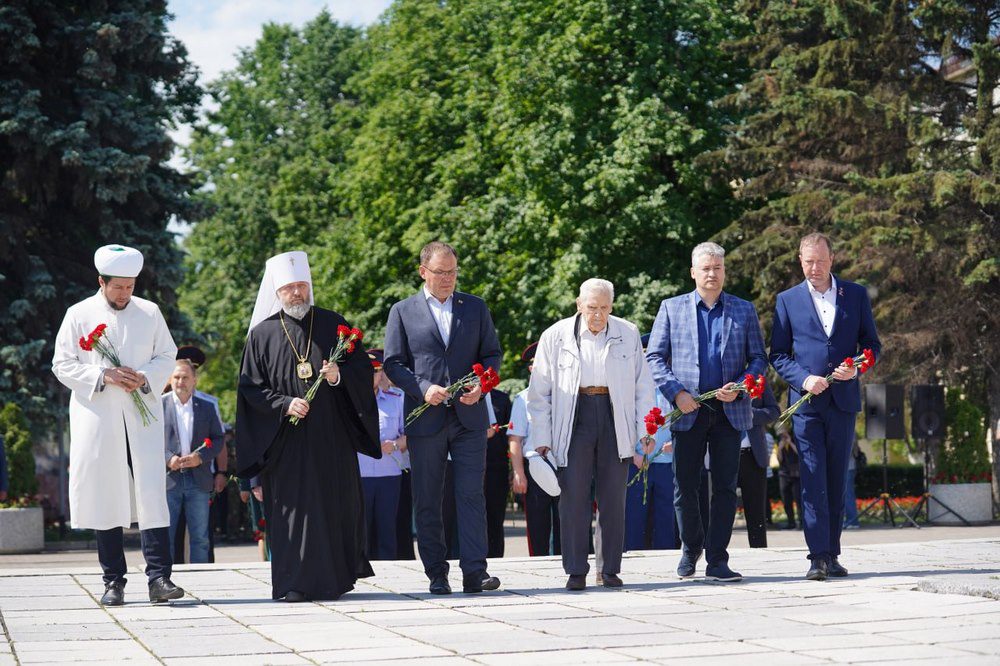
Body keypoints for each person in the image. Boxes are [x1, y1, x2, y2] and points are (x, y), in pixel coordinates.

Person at [235, 250, 380, 601]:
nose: (297, 293)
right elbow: (250, 390)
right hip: (286, 445)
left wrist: (337, 376)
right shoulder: (261, 335)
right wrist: (285, 404)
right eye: (289, 288)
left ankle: (336, 581)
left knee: (332, 508)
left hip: (331, 439)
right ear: (277, 291)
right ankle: (294, 583)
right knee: (294, 515)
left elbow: (363, 372)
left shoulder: (334, 325)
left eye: (302, 286)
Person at [51, 244, 183, 606]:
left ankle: (159, 578)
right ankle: (113, 581)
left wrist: (144, 377)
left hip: (142, 418)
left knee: (151, 494)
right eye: (118, 287)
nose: (125, 294)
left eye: (130, 286)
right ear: (101, 282)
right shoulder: (78, 314)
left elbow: (167, 355)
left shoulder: (150, 312)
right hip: (100, 418)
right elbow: (61, 364)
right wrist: (102, 374)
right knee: (105, 493)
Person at [383, 241, 503, 595]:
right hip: (427, 416)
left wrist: (481, 385)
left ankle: (475, 572)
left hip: (469, 416)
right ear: (423, 272)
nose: (448, 278)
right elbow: (393, 363)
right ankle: (437, 571)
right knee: (428, 496)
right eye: (441, 272)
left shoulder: (475, 307)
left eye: (453, 271)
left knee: (470, 494)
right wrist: (422, 388)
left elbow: (492, 354)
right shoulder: (402, 311)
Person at [645, 242, 768, 583]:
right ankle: (691, 548)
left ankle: (718, 558)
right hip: (688, 409)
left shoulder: (743, 310)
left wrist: (742, 386)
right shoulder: (671, 308)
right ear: (693, 272)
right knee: (685, 485)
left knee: (726, 487)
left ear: (724, 271)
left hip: (730, 410)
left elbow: (759, 359)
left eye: (718, 268)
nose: (712, 273)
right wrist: (677, 393)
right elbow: (655, 357)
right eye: (706, 268)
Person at [527, 278, 654, 591]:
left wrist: (645, 431)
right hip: (574, 418)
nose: (598, 314)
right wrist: (541, 438)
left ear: (612, 306)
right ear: (579, 304)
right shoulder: (554, 336)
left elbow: (643, 387)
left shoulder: (628, 332)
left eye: (604, 308)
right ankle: (575, 570)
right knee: (573, 498)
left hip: (615, 416)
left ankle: (609, 569)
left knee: (613, 499)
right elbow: (539, 393)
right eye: (592, 307)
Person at [770, 232, 881, 581]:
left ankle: (832, 554)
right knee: (813, 477)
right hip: (807, 405)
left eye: (819, 261)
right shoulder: (787, 300)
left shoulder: (856, 295)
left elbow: (872, 345)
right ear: (800, 262)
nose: (813, 268)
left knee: (836, 478)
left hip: (843, 402)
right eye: (807, 262)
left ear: (832, 259)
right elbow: (778, 354)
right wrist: (804, 379)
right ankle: (817, 556)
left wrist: (856, 367)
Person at [162, 359, 225, 563]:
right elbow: (146, 440)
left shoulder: (206, 407)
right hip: (168, 480)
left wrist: (200, 457)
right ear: (170, 380)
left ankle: (202, 581)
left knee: (200, 537)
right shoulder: (157, 406)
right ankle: (165, 579)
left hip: (199, 479)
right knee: (167, 536)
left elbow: (218, 439)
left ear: (194, 381)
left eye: (185, 377)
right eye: (177, 377)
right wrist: (168, 458)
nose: (181, 381)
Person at [509, 343, 561, 557]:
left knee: (566, 521)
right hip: (535, 464)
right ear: (531, 369)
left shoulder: (566, 395)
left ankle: (569, 563)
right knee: (538, 523)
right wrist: (518, 473)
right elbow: (515, 440)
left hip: (563, 463)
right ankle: (538, 562)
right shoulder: (523, 399)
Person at [359, 349, 406, 561]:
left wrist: (395, 445)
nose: (372, 376)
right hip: (359, 475)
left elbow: (412, 434)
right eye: (367, 372)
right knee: (361, 531)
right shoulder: (349, 401)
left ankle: (391, 573)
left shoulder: (397, 399)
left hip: (389, 474)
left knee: (387, 530)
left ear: (381, 374)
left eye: (376, 372)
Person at [625, 387, 676, 551]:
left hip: (667, 463)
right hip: (638, 462)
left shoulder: (672, 390)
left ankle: (665, 556)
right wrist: (632, 453)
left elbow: (684, 421)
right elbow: (624, 422)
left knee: (666, 515)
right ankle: (632, 556)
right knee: (635, 515)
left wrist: (676, 443)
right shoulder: (636, 389)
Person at [737, 384, 779, 548]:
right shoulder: (720, 374)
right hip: (725, 451)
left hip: (753, 454)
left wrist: (749, 415)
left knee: (756, 510)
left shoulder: (758, 379)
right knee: (720, 508)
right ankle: (717, 556)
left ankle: (759, 550)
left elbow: (774, 411)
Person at [484, 390, 512, 558]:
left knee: (495, 517)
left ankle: (495, 558)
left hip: (496, 467)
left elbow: (510, 435)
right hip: (469, 467)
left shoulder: (501, 399)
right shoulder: (463, 395)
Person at [775, 429, 802, 530]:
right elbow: (779, 459)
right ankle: (791, 522)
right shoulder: (779, 441)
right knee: (786, 500)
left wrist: (790, 442)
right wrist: (780, 448)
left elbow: (799, 454)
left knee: (798, 498)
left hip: (796, 473)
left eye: (784, 433)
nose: (783, 435)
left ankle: (802, 522)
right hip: (784, 473)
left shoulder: (795, 439)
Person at [843, 439, 863, 529]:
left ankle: (852, 521)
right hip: (848, 467)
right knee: (847, 495)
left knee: (848, 495)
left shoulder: (848, 428)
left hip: (848, 467)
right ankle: (850, 520)